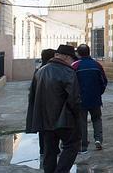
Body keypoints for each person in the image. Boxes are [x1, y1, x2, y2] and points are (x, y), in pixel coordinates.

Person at [25, 45, 81, 173]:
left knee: (49, 150)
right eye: (72, 59)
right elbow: (74, 99)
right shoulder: (68, 72)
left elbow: (32, 97)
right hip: (64, 119)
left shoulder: (40, 71)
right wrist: (78, 118)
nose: (73, 62)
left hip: (45, 120)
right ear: (67, 57)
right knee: (72, 145)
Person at [72, 44, 108, 153]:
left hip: (80, 100)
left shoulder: (75, 65)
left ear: (78, 53)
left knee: (82, 122)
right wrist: (98, 93)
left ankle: (83, 145)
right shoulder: (96, 65)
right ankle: (98, 140)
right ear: (89, 52)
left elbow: (71, 83)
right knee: (97, 119)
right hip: (95, 99)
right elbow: (104, 81)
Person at [26, 48, 56, 158]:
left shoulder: (38, 70)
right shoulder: (49, 70)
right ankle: (50, 151)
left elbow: (32, 90)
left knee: (42, 129)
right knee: (51, 129)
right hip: (49, 104)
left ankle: (43, 150)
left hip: (39, 105)